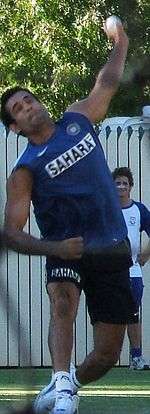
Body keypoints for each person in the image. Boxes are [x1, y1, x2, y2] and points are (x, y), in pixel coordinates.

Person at [1, 19, 137, 414]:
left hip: (111, 249)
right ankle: (62, 391)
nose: (28, 107)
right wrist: (53, 247)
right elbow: (12, 232)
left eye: (29, 100)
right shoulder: (24, 171)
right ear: (15, 126)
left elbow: (107, 81)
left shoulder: (78, 120)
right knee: (63, 300)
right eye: (18, 109)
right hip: (67, 251)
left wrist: (121, 42)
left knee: (106, 356)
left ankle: (66, 385)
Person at [112, 167, 150, 370]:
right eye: (117, 183)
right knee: (109, 315)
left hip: (132, 271)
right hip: (109, 272)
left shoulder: (139, 210)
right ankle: (107, 358)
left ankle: (136, 357)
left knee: (132, 312)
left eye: (124, 183)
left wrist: (144, 256)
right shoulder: (106, 210)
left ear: (130, 187)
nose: (121, 186)